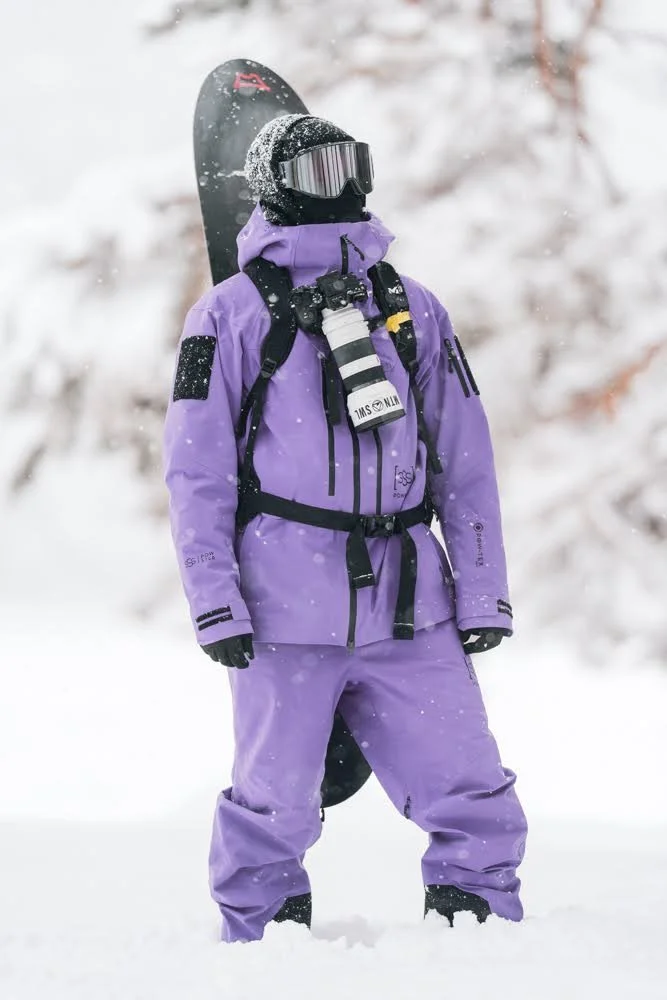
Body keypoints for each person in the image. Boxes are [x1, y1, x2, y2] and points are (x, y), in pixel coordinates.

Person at [163, 114, 527, 943]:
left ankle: (481, 931)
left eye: (346, 164)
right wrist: (215, 599)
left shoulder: (409, 306)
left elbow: (464, 458)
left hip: (412, 606)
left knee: (469, 786)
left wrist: (481, 595)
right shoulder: (227, 317)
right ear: (272, 186)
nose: (336, 184)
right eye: (314, 169)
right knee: (274, 800)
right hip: (281, 609)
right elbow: (196, 472)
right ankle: (263, 943)